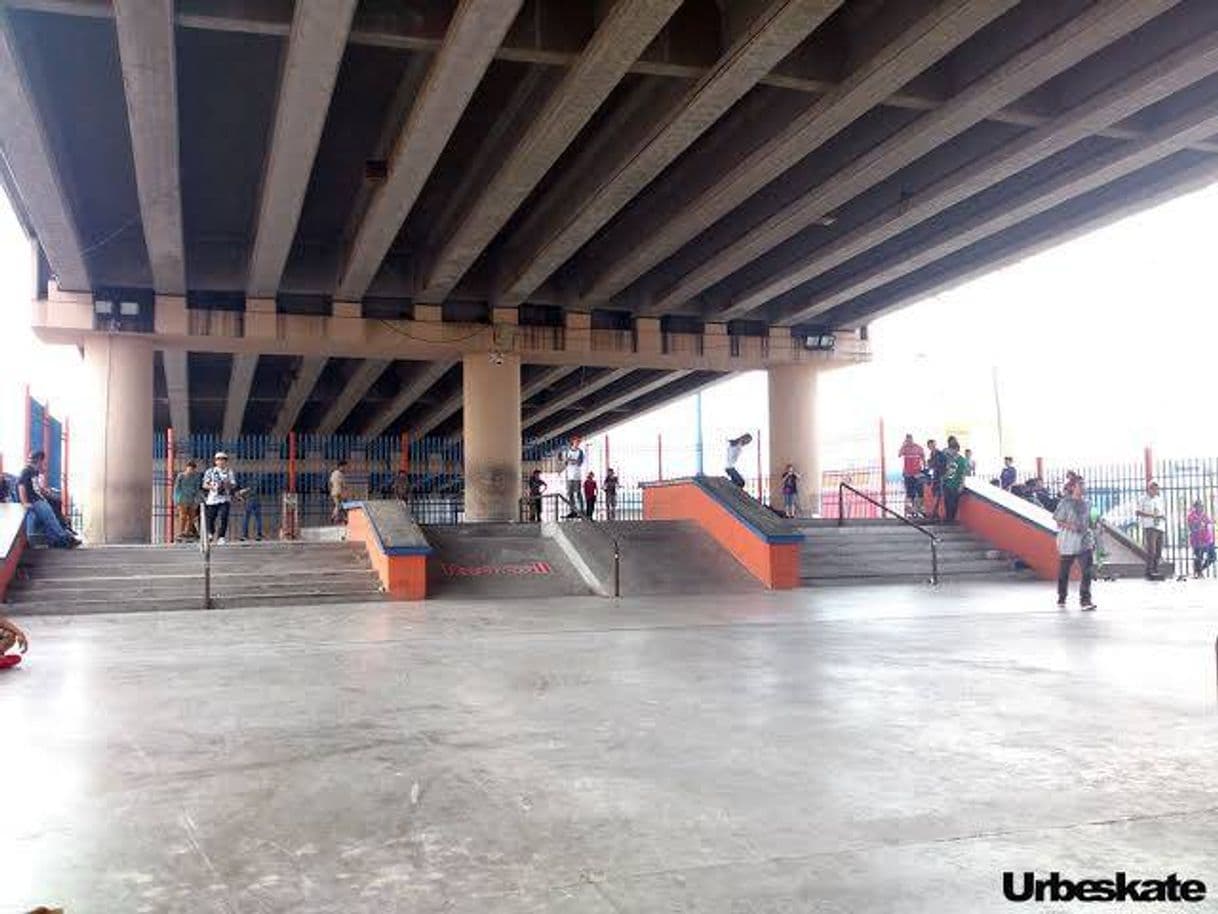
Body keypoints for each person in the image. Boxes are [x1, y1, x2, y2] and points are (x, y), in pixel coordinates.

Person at [18, 451, 78, 548]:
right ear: (39, 460)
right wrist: (24, 502)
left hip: (38, 499)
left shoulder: (34, 472)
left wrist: (44, 490)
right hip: (35, 501)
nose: (43, 464)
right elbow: (21, 486)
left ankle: (54, 541)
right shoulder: (26, 471)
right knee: (50, 519)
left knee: (47, 520)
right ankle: (65, 538)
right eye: (43, 462)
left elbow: (35, 486)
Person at [1053, 476, 1097, 610]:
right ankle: (1062, 596)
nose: (1084, 487)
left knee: (1087, 571)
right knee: (1064, 571)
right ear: (1073, 487)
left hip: (1085, 541)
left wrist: (1095, 525)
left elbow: (1091, 522)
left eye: (1084, 485)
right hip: (1069, 542)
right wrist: (1070, 526)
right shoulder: (1065, 503)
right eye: (1080, 485)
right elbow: (1058, 519)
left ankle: (1085, 600)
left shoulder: (1088, 503)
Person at [202, 451, 237, 545]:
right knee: (211, 518)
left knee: (224, 517)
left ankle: (221, 537)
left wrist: (227, 485)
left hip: (225, 498)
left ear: (226, 461)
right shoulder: (210, 471)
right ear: (215, 461)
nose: (221, 461)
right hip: (213, 499)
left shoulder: (229, 472)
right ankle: (211, 533)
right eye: (219, 459)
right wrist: (213, 487)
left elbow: (233, 484)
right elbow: (204, 485)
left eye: (223, 459)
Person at [1136, 480, 1166, 580]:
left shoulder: (1159, 499)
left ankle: (1155, 569)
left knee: (1159, 550)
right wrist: (1150, 515)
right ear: (1149, 489)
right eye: (1153, 489)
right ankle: (1149, 571)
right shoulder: (1143, 499)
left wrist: (1162, 517)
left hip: (1160, 526)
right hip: (1150, 526)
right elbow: (1138, 512)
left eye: (1157, 489)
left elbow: (1161, 512)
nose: (1155, 491)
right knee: (1151, 550)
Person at [941, 439, 969, 523]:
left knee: (953, 502)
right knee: (946, 501)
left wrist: (961, 485)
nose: (951, 451)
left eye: (952, 449)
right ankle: (947, 517)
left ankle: (952, 518)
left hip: (955, 484)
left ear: (957, 449)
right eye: (950, 449)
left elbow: (963, 473)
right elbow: (947, 470)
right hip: (947, 483)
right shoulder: (949, 459)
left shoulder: (962, 460)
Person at [172, 459, 201, 541]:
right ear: (186, 467)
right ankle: (181, 532)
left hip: (192, 498)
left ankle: (188, 532)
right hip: (182, 497)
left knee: (192, 516)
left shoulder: (196, 477)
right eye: (189, 468)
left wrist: (197, 500)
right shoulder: (181, 476)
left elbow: (197, 489)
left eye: (193, 468)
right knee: (183, 516)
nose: (191, 470)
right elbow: (177, 488)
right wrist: (176, 499)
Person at [898, 434, 926, 516]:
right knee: (909, 492)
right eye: (907, 440)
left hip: (917, 473)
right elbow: (899, 455)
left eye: (910, 439)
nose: (909, 441)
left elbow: (923, 458)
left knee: (920, 491)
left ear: (912, 439)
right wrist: (903, 445)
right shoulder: (905, 448)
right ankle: (910, 510)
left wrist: (924, 469)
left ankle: (918, 508)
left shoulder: (918, 447)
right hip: (908, 474)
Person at [1187, 500, 1215, 578]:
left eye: (1202, 506)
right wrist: (1199, 524)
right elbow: (1192, 527)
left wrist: (1210, 522)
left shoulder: (1204, 515)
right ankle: (1198, 572)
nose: (1201, 508)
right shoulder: (1191, 516)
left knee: (1213, 557)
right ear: (1195, 507)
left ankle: (1200, 569)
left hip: (1207, 539)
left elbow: (1209, 522)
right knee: (1198, 557)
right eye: (1199, 506)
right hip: (1197, 540)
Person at [561, 437, 585, 518]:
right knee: (570, 494)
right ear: (573, 442)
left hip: (577, 476)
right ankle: (572, 511)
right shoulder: (567, 451)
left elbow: (579, 462)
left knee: (578, 493)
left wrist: (570, 460)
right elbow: (565, 462)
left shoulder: (580, 452)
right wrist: (569, 460)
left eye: (578, 442)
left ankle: (581, 511)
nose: (577, 443)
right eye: (576, 442)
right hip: (569, 476)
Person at [329, 459, 348, 524]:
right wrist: (345, 492)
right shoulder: (341, 474)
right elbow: (343, 485)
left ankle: (336, 517)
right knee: (341, 505)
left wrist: (331, 490)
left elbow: (330, 483)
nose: (345, 468)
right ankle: (338, 517)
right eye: (345, 467)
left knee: (338, 505)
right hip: (339, 492)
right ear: (341, 466)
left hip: (334, 492)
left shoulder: (333, 473)